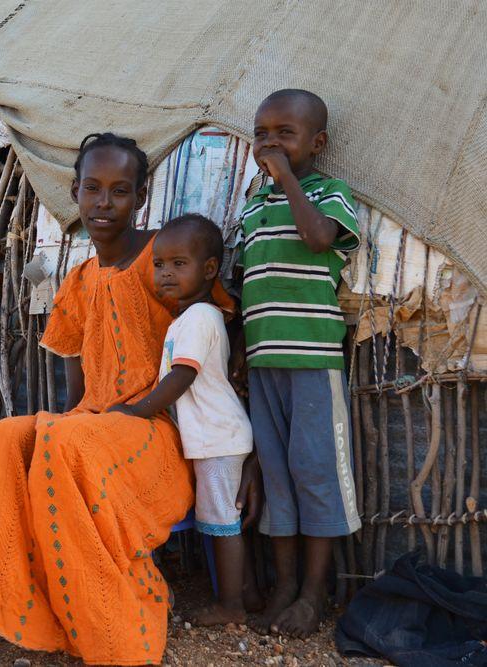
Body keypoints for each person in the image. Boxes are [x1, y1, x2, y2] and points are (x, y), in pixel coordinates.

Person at [0, 133, 250, 665]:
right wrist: (68, 418)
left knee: (65, 444)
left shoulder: (165, 259)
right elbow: (76, 387)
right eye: (93, 189)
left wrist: (240, 446)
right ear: (74, 193)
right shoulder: (77, 281)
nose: (104, 203)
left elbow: (217, 341)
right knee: (2, 439)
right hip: (95, 423)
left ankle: (115, 618)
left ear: (140, 198)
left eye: (120, 191)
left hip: (157, 430)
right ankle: (41, 607)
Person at [234, 89, 362, 638]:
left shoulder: (330, 194)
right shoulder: (252, 207)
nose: (270, 143)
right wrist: (241, 346)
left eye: (285, 134)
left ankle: (313, 595)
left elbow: (317, 240)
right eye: (262, 133)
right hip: (265, 363)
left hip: (313, 361)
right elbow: (244, 284)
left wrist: (285, 178)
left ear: (318, 143)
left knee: (316, 474)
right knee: (279, 477)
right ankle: (284, 586)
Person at [108, 214, 254, 627]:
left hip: (217, 439)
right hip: (216, 436)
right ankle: (249, 593)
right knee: (225, 520)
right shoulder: (189, 319)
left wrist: (139, 409)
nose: (165, 273)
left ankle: (232, 605)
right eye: (158, 265)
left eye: (178, 264)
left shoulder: (199, 319)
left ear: (209, 270)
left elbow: (182, 376)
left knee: (221, 523)